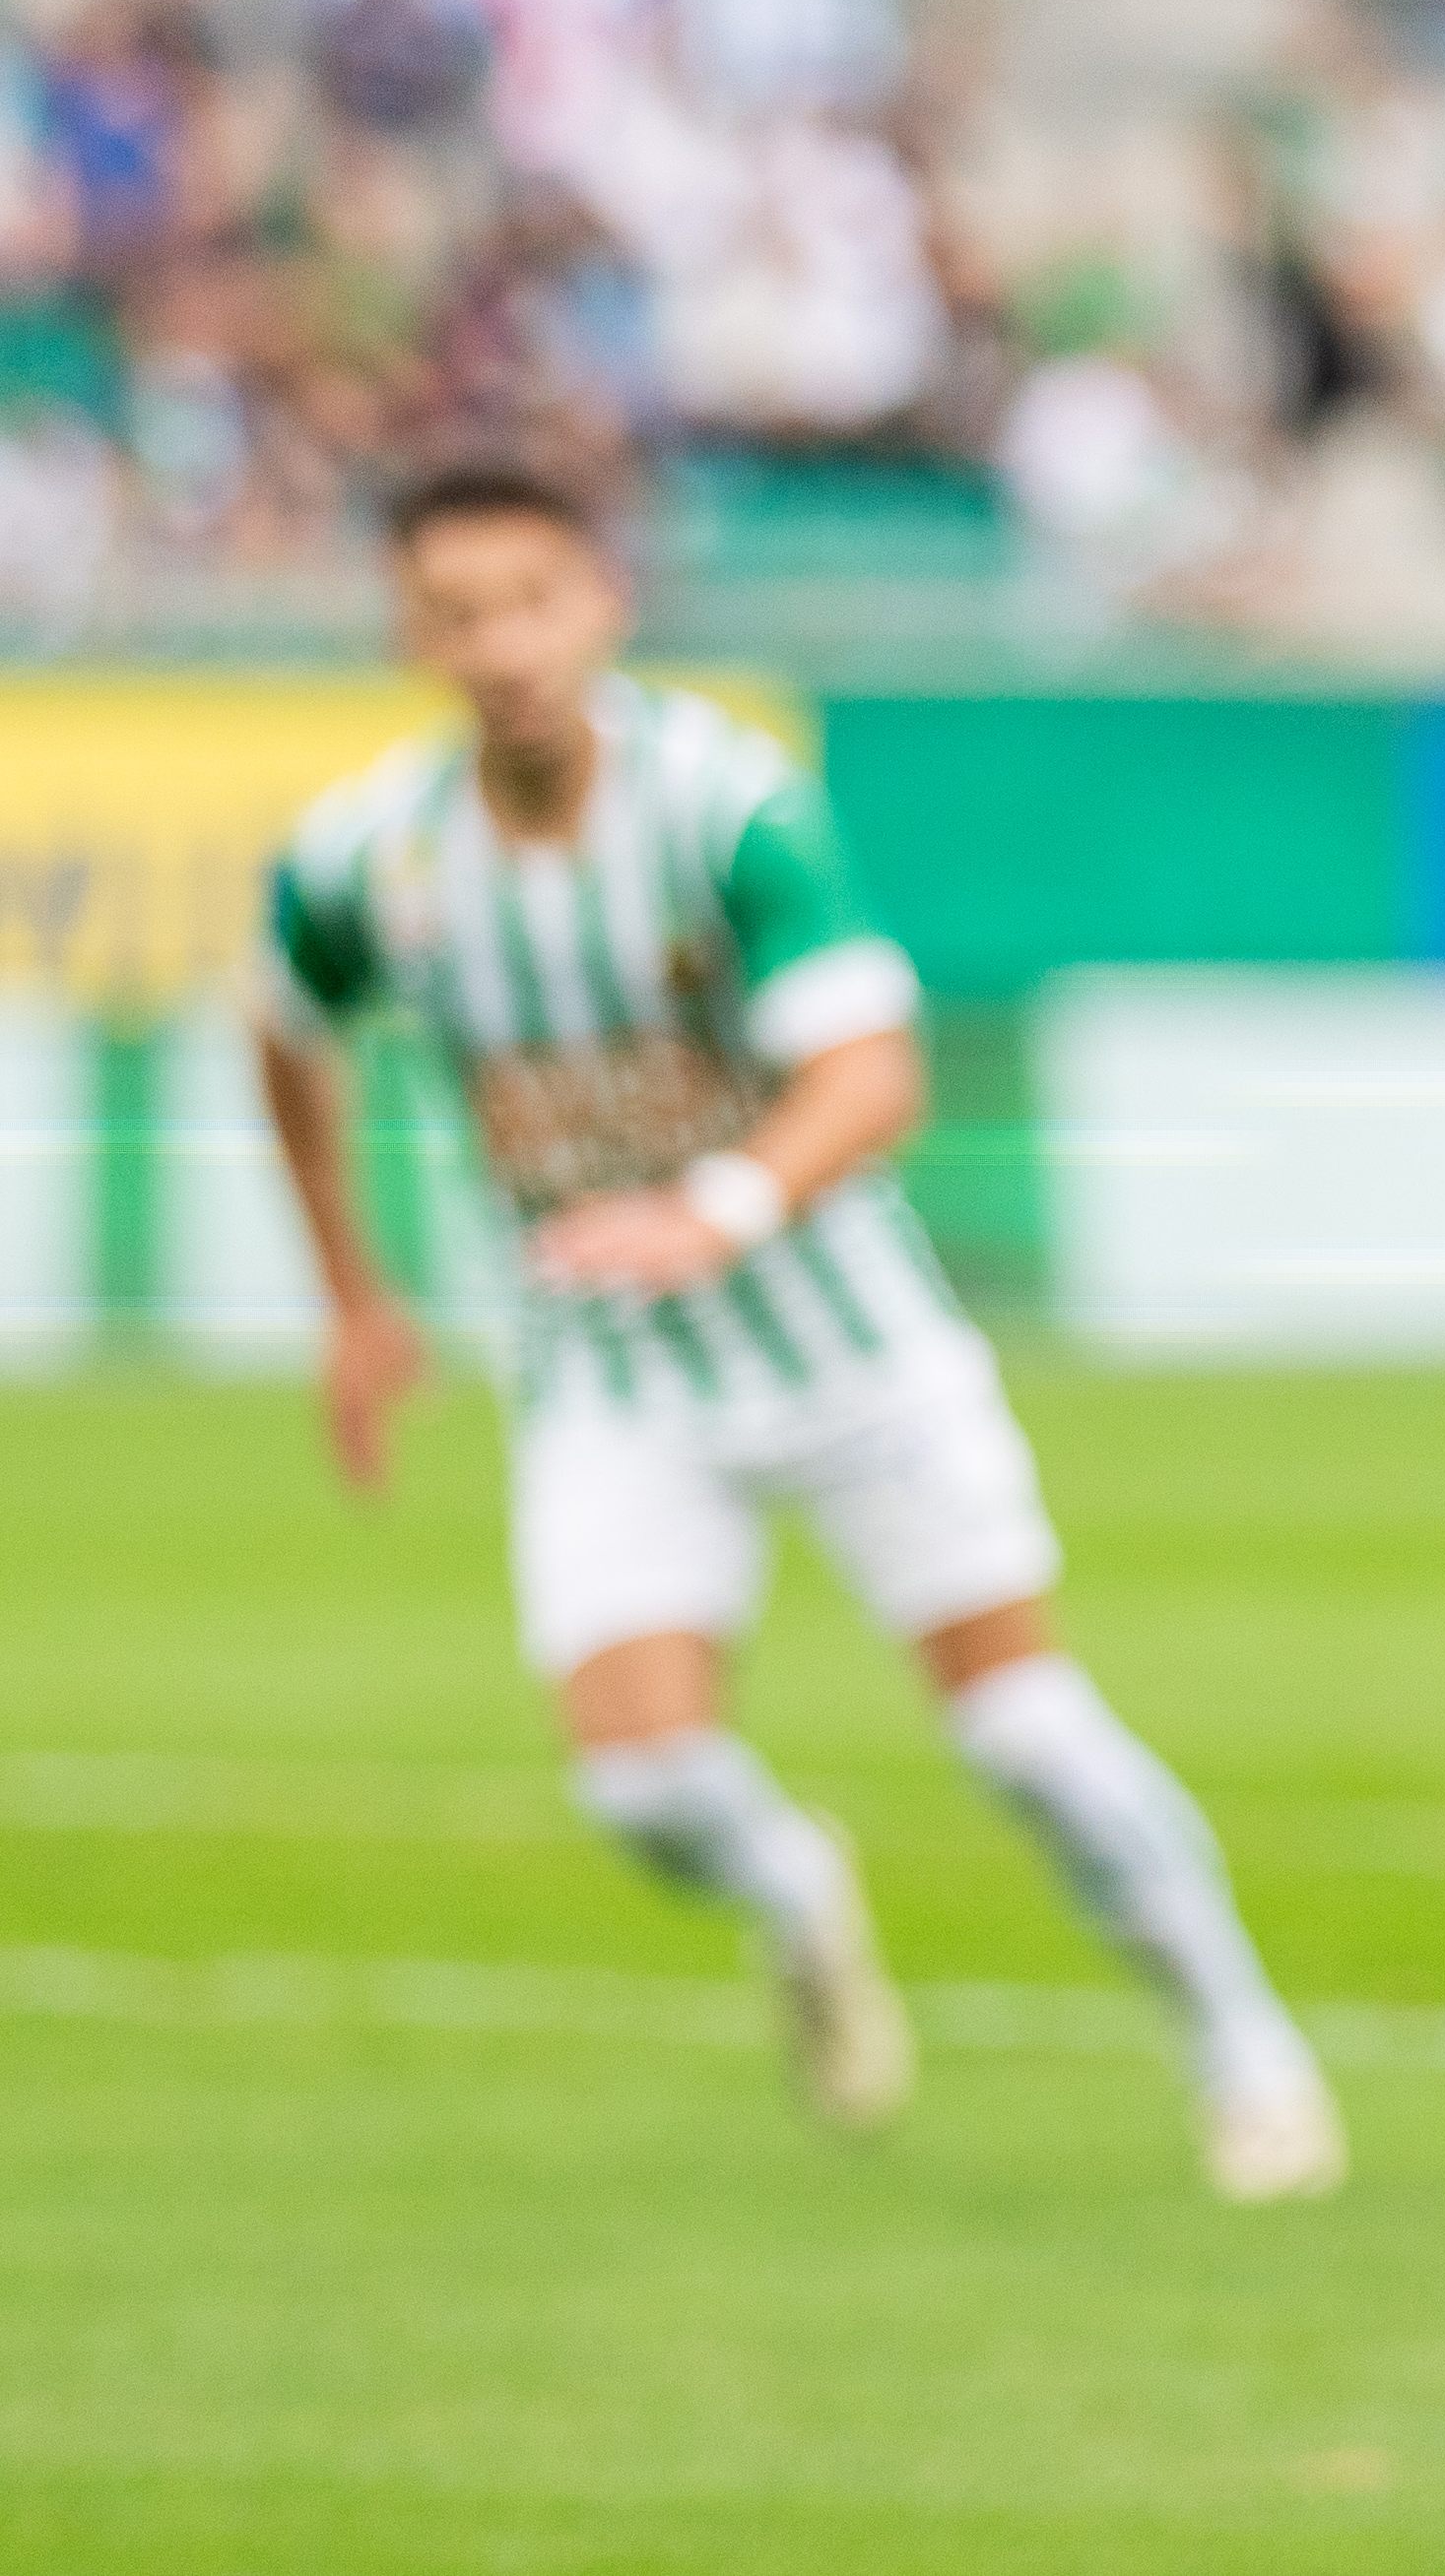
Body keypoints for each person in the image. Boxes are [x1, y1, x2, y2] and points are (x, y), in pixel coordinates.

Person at [250, 458, 1340, 2204]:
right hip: (611, 1378)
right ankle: (792, 1884)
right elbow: (285, 1027)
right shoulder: (367, 856)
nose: (500, 646)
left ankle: (1244, 2052)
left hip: (850, 1349)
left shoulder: (719, 806)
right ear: (409, 633)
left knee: (1021, 1735)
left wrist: (717, 1209)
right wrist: (354, 1300)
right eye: (456, 613)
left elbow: (872, 1071)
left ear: (601, 602)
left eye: (530, 600)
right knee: (643, 1789)